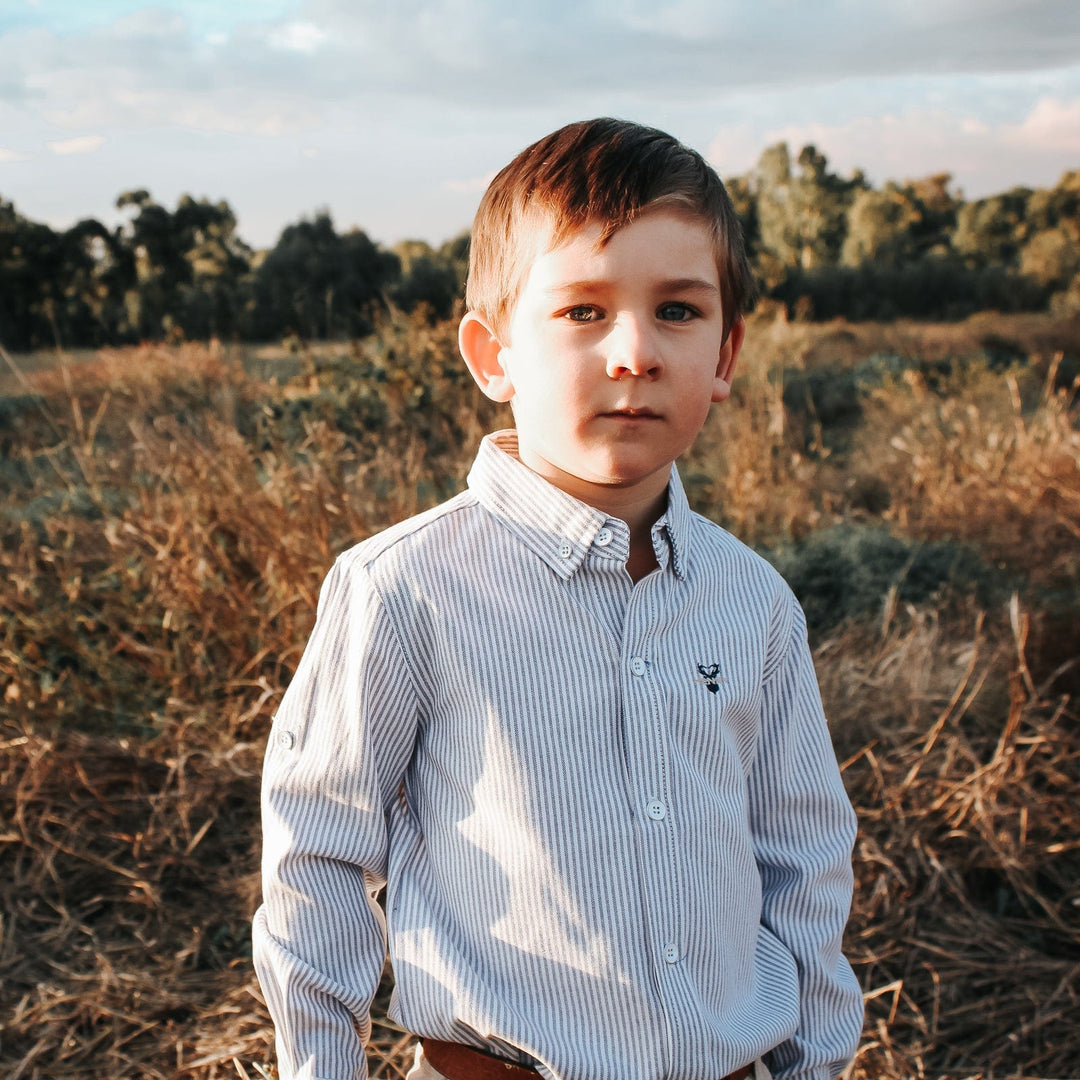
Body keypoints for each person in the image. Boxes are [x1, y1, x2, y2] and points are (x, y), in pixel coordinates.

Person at [253, 118, 864, 1080]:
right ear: (492, 355)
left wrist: (815, 1065)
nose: (635, 353)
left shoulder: (754, 604)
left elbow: (804, 864)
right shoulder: (404, 591)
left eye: (678, 311)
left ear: (726, 354)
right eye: (582, 311)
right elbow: (316, 860)